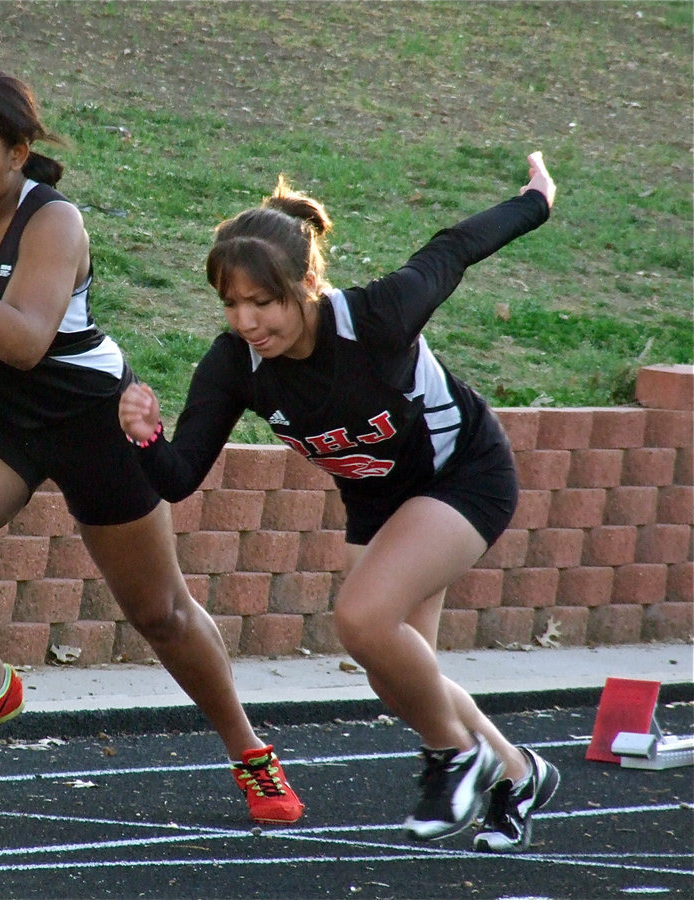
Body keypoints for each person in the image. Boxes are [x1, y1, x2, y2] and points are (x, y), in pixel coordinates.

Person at [0, 69, 303, 825]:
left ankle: (250, 753)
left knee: (161, 613)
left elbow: (22, 340)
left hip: (87, 418)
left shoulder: (54, 224)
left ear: (17, 153)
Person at [118, 152, 562, 852]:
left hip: (461, 476)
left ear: (306, 284)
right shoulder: (237, 364)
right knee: (400, 676)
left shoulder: (377, 317)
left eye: (262, 302)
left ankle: (455, 757)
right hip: (379, 505)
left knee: (361, 618)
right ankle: (516, 770)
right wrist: (144, 439)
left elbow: (453, 250)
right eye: (231, 304)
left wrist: (536, 199)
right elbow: (178, 478)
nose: (247, 320)